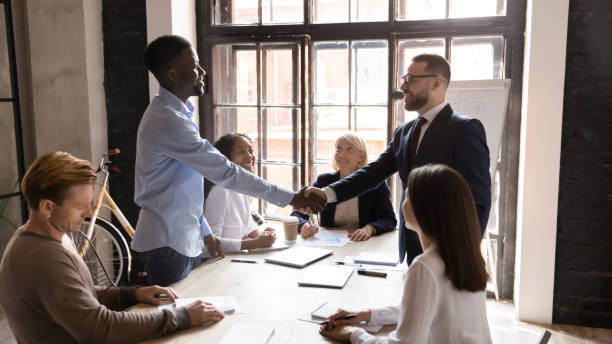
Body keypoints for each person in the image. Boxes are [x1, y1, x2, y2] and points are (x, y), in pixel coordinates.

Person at [132, 35, 325, 286]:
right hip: (170, 243)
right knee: (173, 320)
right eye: (194, 66)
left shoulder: (177, 114)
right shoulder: (167, 120)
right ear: (172, 75)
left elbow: (180, 190)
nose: (202, 72)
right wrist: (292, 198)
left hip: (183, 239)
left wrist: (206, 232)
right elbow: (225, 171)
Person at [0, 151, 226, 344]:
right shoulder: (41, 258)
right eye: (81, 206)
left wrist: (133, 293)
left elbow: (81, 295)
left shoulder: (48, 236)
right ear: (48, 207)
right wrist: (183, 316)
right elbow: (101, 328)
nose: (90, 213)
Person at [306, 54, 491, 265]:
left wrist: (465, 253)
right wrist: (325, 194)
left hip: (450, 252)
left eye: (411, 79)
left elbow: (479, 200)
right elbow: (372, 174)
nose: (403, 85)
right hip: (411, 246)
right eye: (404, 78)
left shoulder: (465, 129)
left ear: (437, 82)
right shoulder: (403, 132)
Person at [319, 164, 493, 344]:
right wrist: (366, 315)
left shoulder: (424, 267)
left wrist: (353, 334)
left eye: (408, 195)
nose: (403, 201)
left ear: (424, 209)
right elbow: (420, 308)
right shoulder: (466, 257)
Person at [291, 132, 396, 241]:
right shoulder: (324, 181)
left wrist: (371, 228)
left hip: (362, 243)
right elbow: (297, 213)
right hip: (330, 243)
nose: (341, 155)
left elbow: (389, 220)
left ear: (361, 156)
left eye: (349, 149)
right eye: (338, 149)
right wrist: (303, 226)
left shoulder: (377, 184)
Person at [203, 133, 277, 252]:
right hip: (216, 263)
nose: (250, 157)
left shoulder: (243, 187)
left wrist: (261, 235)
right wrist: (255, 243)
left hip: (233, 258)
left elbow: (246, 222)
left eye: (250, 151)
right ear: (225, 159)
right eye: (241, 152)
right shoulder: (220, 191)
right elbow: (211, 243)